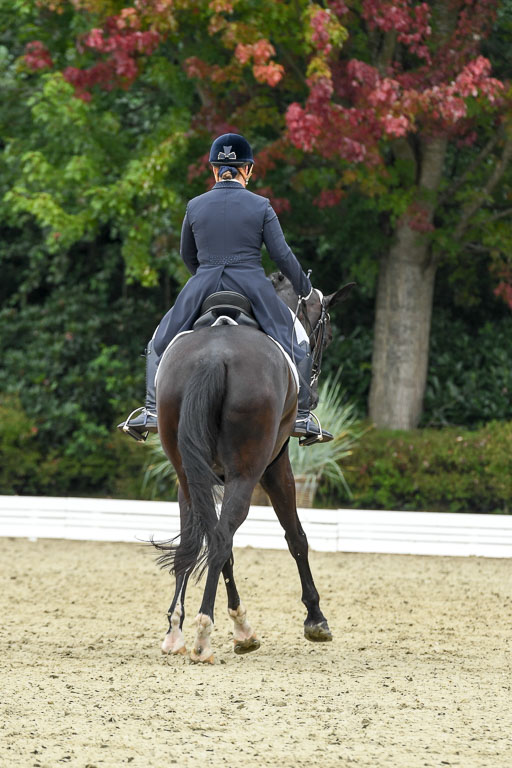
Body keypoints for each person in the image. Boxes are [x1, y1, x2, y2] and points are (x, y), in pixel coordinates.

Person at [117, 133, 333, 445]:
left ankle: (151, 410)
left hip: (203, 284)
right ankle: (301, 416)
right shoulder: (261, 206)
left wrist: (204, 277)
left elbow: (186, 254)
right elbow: (281, 255)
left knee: (158, 340)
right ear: (249, 169)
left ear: (214, 170)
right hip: (252, 284)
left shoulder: (195, 205)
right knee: (297, 340)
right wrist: (305, 288)